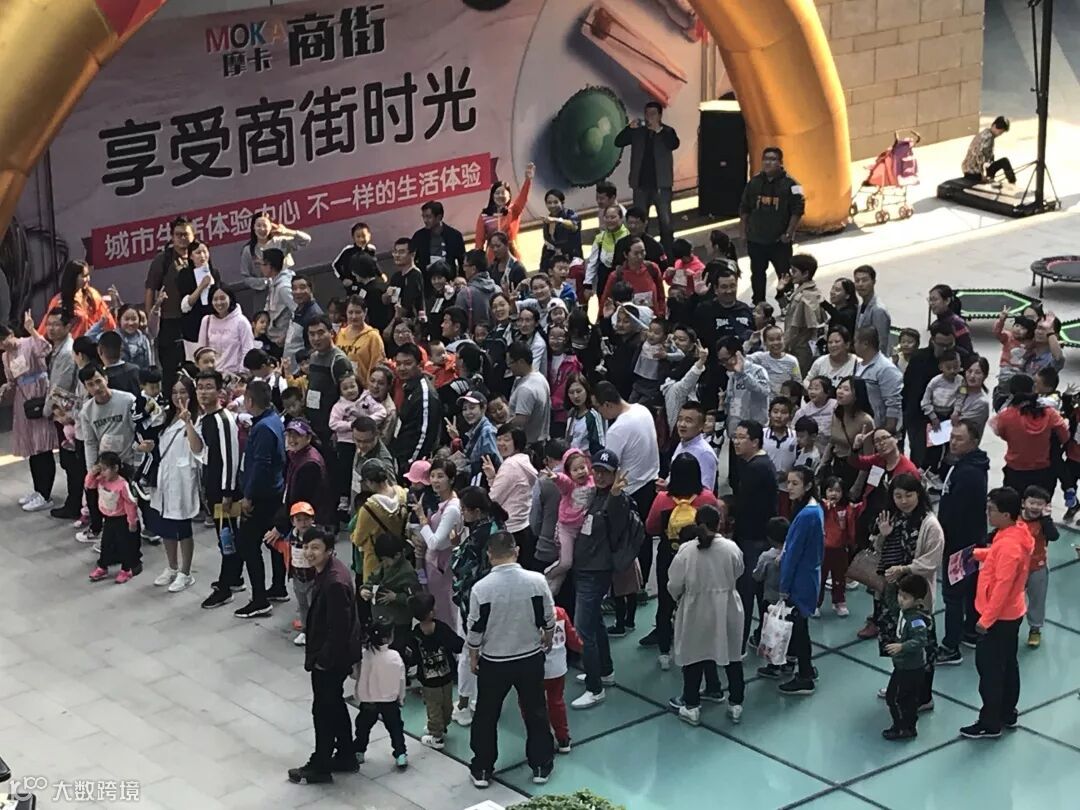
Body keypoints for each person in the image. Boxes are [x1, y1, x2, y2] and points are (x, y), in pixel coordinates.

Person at [466, 531, 556, 789]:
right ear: (516, 551)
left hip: (494, 661)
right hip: (529, 658)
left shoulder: (481, 588)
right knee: (536, 711)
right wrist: (548, 637)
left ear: (489, 555)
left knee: (486, 715)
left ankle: (483, 768)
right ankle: (541, 765)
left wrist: (473, 655)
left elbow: (475, 628)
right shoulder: (537, 581)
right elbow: (548, 616)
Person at [961, 487, 1034, 739]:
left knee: (990, 669)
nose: (988, 514)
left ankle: (990, 722)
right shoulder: (1016, 533)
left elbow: (1003, 586)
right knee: (1008, 663)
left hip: (998, 618)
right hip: (1012, 613)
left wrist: (985, 620)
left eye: (991, 510)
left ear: (1005, 514)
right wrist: (978, 555)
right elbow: (998, 556)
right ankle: (1007, 712)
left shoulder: (1010, 546)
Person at [869, 474, 943, 709]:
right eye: (898, 496)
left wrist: (905, 568)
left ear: (919, 494)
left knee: (921, 646)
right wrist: (883, 535)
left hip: (917, 596)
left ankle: (924, 696)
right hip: (892, 593)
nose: (903, 501)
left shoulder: (929, 525)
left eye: (908, 495)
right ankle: (900, 685)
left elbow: (931, 561)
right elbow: (878, 549)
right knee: (897, 640)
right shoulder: (892, 518)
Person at [667, 505, 746, 726]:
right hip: (728, 607)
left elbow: (674, 584)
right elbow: (739, 571)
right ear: (719, 523)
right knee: (732, 655)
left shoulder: (686, 551)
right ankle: (736, 703)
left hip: (696, 608)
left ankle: (691, 705)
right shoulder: (731, 548)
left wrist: (680, 598)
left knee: (694, 655)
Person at [643, 454, 721, 669]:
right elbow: (718, 526)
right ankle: (697, 648)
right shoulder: (707, 498)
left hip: (669, 556)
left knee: (665, 603)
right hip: (700, 557)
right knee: (697, 602)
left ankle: (664, 652)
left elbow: (650, 527)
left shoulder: (662, 499)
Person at [936, 419, 990, 663]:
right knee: (968, 590)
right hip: (970, 541)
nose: (953, 442)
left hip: (959, 545)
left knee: (953, 595)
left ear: (974, 442)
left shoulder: (969, 473)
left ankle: (951, 646)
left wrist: (942, 539)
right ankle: (969, 632)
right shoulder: (967, 465)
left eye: (959, 439)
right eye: (952, 437)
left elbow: (956, 512)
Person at [594, 381, 660, 578]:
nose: (599, 413)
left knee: (627, 543)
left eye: (598, 407)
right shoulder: (642, 410)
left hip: (629, 491)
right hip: (650, 482)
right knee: (644, 537)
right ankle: (643, 580)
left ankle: (629, 584)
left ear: (607, 404)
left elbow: (608, 467)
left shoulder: (617, 429)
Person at [234, 380, 286, 619]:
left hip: (261, 495)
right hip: (273, 491)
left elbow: (260, 465)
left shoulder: (263, 428)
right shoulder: (273, 419)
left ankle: (259, 600)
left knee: (248, 544)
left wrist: (248, 496)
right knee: (272, 542)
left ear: (249, 401)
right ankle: (278, 586)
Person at [147, 375, 203, 594]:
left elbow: (198, 449)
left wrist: (188, 422)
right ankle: (171, 567)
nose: (178, 396)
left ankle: (185, 572)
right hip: (164, 477)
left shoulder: (197, 418)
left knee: (182, 526)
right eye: (174, 392)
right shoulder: (166, 416)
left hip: (182, 478)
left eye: (183, 392)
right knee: (165, 524)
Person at [1, 314, 58, 512]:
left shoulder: (28, 343)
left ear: (10, 334)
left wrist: (32, 329)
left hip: (39, 395)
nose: (4, 345)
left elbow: (46, 348)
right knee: (33, 448)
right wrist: (6, 388)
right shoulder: (5, 356)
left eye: (4, 339)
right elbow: (12, 380)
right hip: (23, 401)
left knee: (43, 446)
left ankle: (46, 494)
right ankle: (38, 490)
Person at [731, 420, 778, 648]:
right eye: (735, 436)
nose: (736, 442)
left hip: (753, 539)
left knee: (747, 592)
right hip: (760, 537)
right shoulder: (755, 464)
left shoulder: (756, 468)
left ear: (755, 441)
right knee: (760, 594)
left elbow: (744, 506)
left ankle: (739, 643)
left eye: (742, 438)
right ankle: (762, 638)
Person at [777, 467, 824, 696]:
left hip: (800, 579)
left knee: (799, 629)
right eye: (788, 482)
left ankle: (805, 675)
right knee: (800, 626)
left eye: (795, 483)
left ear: (808, 486)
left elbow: (793, 553)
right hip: (809, 575)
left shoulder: (806, 515)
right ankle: (806, 669)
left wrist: (784, 587)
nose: (789, 488)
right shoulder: (814, 508)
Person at [739, 146, 805, 304]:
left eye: (773, 159)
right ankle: (759, 304)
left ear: (780, 163)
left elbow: (798, 211)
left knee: (785, 275)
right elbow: (744, 208)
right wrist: (743, 232)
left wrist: (789, 233)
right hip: (756, 240)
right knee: (757, 274)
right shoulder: (754, 183)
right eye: (765, 159)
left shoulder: (792, 185)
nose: (768, 162)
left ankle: (787, 304)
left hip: (779, 242)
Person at [614, 102, 680, 254]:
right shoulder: (638, 132)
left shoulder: (667, 132)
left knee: (665, 221)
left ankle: (668, 254)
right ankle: (643, 252)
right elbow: (618, 142)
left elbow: (674, 144)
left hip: (661, 185)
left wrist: (659, 131)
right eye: (647, 113)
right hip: (640, 184)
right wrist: (628, 128)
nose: (649, 117)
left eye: (653, 114)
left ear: (660, 115)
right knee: (640, 222)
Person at [992, 375, 1068, 497]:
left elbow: (999, 432)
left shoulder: (1006, 416)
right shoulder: (1049, 413)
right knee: (1040, 505)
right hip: (1043, 471)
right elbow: (1064, 435)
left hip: (1015, 470)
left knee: (1013, 504)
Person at [411, 458, 463, 630]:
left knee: (442, 610)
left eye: (440, 476)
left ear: (451, 479)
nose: (435, 480)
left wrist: (422, 518)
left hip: (440, 566)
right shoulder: (443, 503)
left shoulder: (452, 508)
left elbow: (434, 543)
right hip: (430, 563)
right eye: (432, 476)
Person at [409, 592, 465, 751]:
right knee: (447, 704)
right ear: (431, 612)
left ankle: (436, 733)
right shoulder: (442, 628)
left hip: (428, 681)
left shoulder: (415, 634)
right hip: (447, 676)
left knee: (433, 706)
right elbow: (458, 645)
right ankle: (439, 730)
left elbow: (412, 658)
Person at [882, 574, 933, 741]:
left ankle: (903, 727)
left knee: (897, 699)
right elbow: (890, 602)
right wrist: (891, 585)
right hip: (902, 665)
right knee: (900, 698)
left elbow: (920, 640)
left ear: (917, 601)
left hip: (911, 668)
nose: (900, 600)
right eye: (900, 595)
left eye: (905, 597)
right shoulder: (904, 612)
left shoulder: (916, 620)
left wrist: (902, 646)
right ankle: (905, 726)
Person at [143, 217, 192, 383]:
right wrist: (150, 316)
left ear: (193, 235)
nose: (182, 238)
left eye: (186, 234)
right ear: (172, 237)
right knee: (170, 369)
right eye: (178, 235)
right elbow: (150, 288)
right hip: (169, 321)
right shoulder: (163, 260)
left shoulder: (198, 255)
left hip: (193, 320)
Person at [483, 425, 538, 568]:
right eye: (499, 439)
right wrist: (492, 477)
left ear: (517, 443)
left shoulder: (511, 465)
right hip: (523, 526)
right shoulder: (523, 461)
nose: (501, 443)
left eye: (507, 440)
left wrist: (492, 480)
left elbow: (494, 499)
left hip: (510, 529)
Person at [84, 451, 141, 583]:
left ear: (115, 468)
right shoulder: (100, 480)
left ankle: (126, 569)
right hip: (108, 519)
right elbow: (88, 485)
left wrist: (132, 521)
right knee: (106, 544)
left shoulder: (122, 485)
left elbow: (130, 504)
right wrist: (92, 473)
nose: (102, 473)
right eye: (101, 469)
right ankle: (102, 566)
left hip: (122, 520)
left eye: (105, 469)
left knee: (124, 545)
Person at [351, 459, 408, 582]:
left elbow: (358, 539)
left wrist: (353, 535)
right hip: (399, 557)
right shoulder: (402, 494)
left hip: (376, 562)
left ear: (369, 482)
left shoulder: (368, 509)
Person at [389, 343, 443, 472]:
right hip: (401, 455)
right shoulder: (409, 387)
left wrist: (410, 464)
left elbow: (424, 435)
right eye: (398, 363)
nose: (402, 368)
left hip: (413, 464)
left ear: (420, 365)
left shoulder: (424, 394)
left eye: (408, 363)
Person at [1018, 486, 1056, 649]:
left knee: (1037, 599)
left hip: (1037, 567)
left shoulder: (1044, 522)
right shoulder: (1014, 518)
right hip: (1016, 568)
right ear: (1023, 503)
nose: (1035, 507)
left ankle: (1035, 629)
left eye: (1040, 504)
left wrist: (1046, 519)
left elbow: (1054, 536)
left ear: (1046, 506)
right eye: (1032, 503)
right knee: (1011, 598)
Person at [41, 260, 116, 341]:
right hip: (72, 346)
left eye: (88, 275)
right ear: (73, 277)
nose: (88, 279)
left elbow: (107, 321)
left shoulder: (93, 294)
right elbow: (45, 328)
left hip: (93, 344)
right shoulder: (59, 301)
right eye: (84, 276)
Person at [475, 163, 534, 261]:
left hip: (512, 255)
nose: (500, 196)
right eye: (497, 193)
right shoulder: (484, 216)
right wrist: (478, 260)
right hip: (492, 258)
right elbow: (479, 240)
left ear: (509, 196)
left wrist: (528, 180)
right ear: (492, 196)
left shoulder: (513, 211)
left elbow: (523, 199)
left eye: (503, 193)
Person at [776, 253, 822, 376]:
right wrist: (780, 291)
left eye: (794, 271)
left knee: (797, 378)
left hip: (800, 348)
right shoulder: (804, 291)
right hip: (798, 345)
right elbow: (787, 310)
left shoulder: (805, 297)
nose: (791, 274)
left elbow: (794, 327)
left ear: (805, 273)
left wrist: (782, 346)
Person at [240, 213, 312, 290]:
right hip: (264, 291)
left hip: (286, 285)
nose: (262, 229)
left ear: (271, 227)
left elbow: (306, 240)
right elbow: (246, 277)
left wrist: (287, 231)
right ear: (253, 227)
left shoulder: (280, 242)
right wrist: (265, 282)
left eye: (265, 225)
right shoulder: (248, 250)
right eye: (258, 226)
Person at [176, 239, 221, 360]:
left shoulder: (214, 272)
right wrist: (201, 286)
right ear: (191, 256)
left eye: (205, 252)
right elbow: (185, 306)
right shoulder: (185, 274)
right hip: (193, 323)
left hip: (212, 322)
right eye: (198, 253)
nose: (202, 256)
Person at [853, 326, 903, 434]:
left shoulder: (886, 368)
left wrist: (888, 430)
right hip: (860, 425)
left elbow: (893, 402)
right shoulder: (858, 365)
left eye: (856, 342)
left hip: (878, 427)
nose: (854, 345)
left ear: (865, 344)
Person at [197, 287, 254, 376]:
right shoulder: (206, 320)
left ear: (230, 299)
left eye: (222, 298)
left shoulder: (241, 322)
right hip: (212, 375)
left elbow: (247, 349)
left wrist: (243, 373)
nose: (219, 302)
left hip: (234, 375)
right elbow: (201, 350)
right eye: (215, 299)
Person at [583, 206, 630, 305]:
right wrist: (588, 285)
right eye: (607, 217)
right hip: (604, 279)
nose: (609, 220)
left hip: (625, 279)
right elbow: (592, 264)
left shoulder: (629, 236)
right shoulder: (599, 238)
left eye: (613, 217)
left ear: (621, 218)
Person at [508, 341, 552, 445]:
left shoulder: (526, 389)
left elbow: (521, 420)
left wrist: (504, 426)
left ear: (521, 362)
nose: (509, 367)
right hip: (542, 440)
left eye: (510, 363)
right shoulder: (541, 378)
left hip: (529, 443)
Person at [411, 200, 466, 275]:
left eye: (428, 217)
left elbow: (462, 261)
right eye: (423, 217)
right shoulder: (419, 236)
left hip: (448, 278)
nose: (425, 220)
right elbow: (412, 260)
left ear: (439, 217)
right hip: (426, 278)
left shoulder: (454, 236)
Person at [261, 248, 297, 355]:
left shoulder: (283, 287)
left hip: (283, 341)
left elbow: (298, 312)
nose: (261, 268)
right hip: (273, 337)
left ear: (270, 266)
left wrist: (286, 335)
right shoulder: (273, 282)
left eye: (263, 264)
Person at [962, 115, 1015, 186]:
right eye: (1000, 132)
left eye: (1001, 133)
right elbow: (978, 155)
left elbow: (987, 156)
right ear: (994, 125)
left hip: (969, 169)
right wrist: (982, 176)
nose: (999, 134)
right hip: (973, 172)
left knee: (999, 162)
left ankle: (993, 178)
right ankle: (1012, 183)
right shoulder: (988, 138)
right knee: (1004, 162)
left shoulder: (986, 132)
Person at [852, 265, 892, 354]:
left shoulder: (878, 310)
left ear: (873, 282)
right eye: (857, 281)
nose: (860, 284)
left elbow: (881, 343)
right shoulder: (861, 306)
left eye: (864, 280)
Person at [540, 189, 583, 269]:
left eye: (556, 202)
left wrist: (557, 220)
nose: (552, 205)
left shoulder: (570, 214)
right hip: (554, 262)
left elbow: (574, 226)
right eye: (549, 203)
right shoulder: (547, 220)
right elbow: (548, 245)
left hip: (572, 260)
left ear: (562, 202)